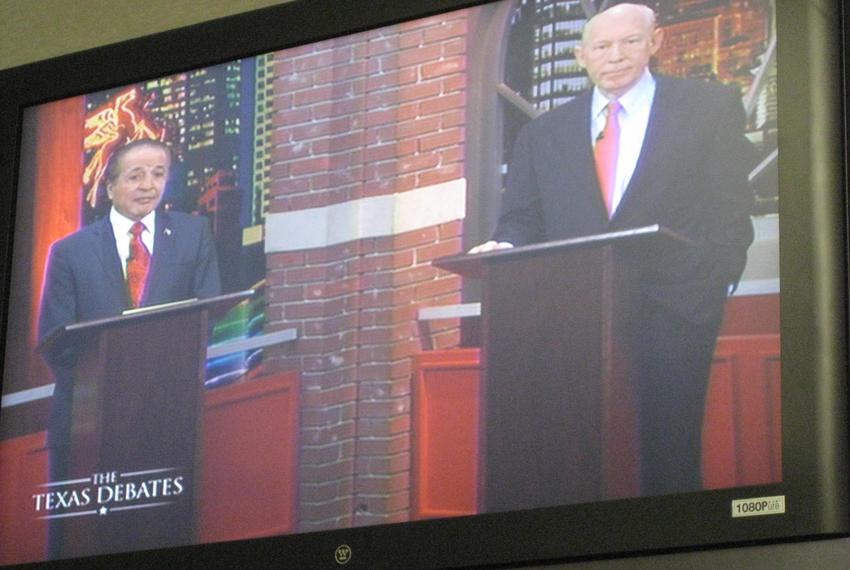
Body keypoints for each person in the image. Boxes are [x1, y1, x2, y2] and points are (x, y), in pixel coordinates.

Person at [470, 3, 755, 496]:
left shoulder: (709, 107)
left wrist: (715, 281)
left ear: (655, 43)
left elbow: (730, 207)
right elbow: (521, 218)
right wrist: (507, 245)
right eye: (601, 46)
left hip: (678, 309)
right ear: (582, 56)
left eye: (630, 42)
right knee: (579, 462)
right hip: (573, 318)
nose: (616, 56)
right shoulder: (542, 133)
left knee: (669, 454)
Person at [37, 138, 221, 557]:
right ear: (110, 186)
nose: (148, 185)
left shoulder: (193, 235)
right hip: (86, 426)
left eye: (158, 174)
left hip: (168, 423)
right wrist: (113, 385)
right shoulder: (70, 252)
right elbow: (55, 341)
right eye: (135, 176)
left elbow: (206, 319)